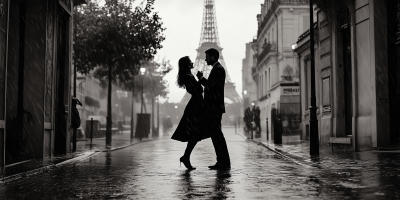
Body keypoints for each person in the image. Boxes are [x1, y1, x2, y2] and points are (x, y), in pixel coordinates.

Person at [171, 56, 209, 170]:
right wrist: (200, 79)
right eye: (190, 61)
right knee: (196, 133)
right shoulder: (188, 77)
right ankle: (186, 156)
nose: (192, 62)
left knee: (195, 133)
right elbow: (196, 90)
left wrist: (199, 80)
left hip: (196, 105)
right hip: (196, 106)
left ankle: (186, 156)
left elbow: (196, 89)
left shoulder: (187, 76)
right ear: (187, 65)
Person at [196, 48, 231, 170]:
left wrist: (201, 79)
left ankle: (224, 162)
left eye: (207, 57)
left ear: (213, 57)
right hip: (214, 107)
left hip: (214, 108)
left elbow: (212, 87)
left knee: (217, 135)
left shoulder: (219, 69)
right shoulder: (216, 69)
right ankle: (222, 161)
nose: (205, 59)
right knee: (216, 135)